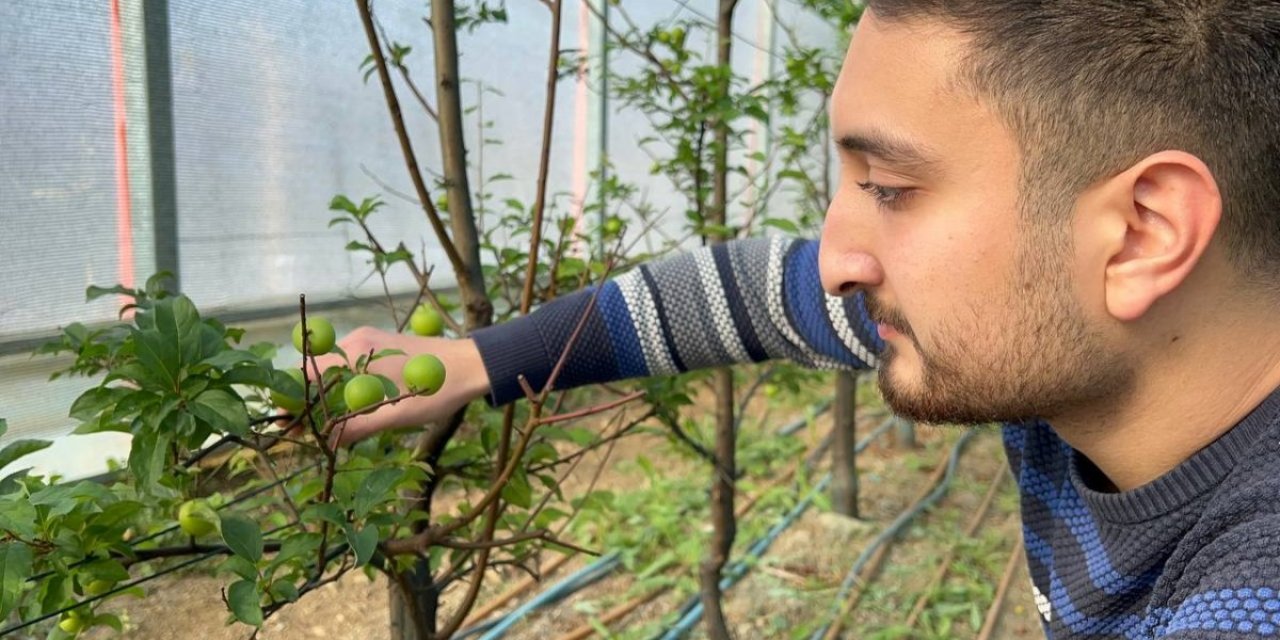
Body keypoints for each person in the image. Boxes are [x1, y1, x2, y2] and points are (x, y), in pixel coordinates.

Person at [317, 2, 1280, 637]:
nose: (834, 257)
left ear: (1143, 233)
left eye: (890, 188)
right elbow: (745, 294)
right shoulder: (1072, 345)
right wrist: (469, 363)